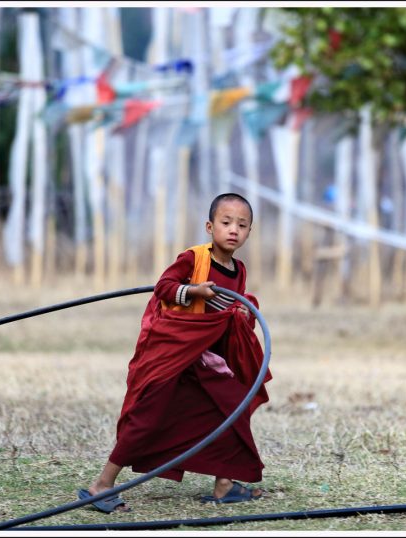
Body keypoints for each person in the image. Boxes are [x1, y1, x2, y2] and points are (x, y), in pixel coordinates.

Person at [78, 193, 271, 513]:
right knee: (147, 417)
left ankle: (225, 484)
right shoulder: (194, 259)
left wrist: (240, 315)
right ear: (210, 227)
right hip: (172, 352)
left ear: (249, 232)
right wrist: (194, 291)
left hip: (205, 357)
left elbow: (226, 317)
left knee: (231, 406)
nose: (233, 230)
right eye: (226, 222)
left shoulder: (239, 271)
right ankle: (103, 484)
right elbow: (164, 287)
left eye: (242, 224)